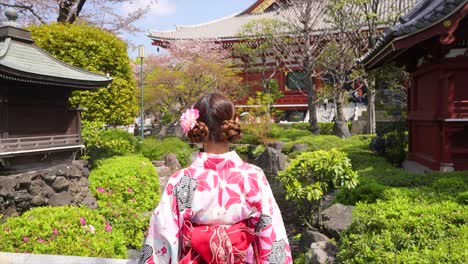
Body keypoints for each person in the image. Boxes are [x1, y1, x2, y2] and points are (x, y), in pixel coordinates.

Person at [139, 93, 292, 264]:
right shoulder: (253, 176)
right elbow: (271, 233)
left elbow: (162, 235)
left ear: (196, 126)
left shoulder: (181, 180)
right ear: (232, 124)